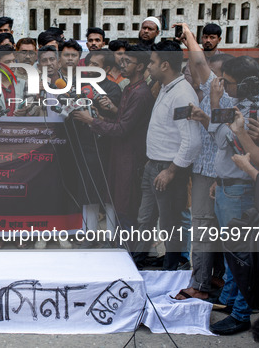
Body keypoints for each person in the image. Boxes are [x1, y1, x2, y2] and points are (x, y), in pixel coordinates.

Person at [206, 55, 259, 335]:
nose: (224, 87)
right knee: (234, 254)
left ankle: (240, 312)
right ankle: (229, 300)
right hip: (229, 184)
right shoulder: (242, 105)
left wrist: (215, 107)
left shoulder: (257, 112)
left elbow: (222, 138)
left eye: (228, 82)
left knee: (243, 257)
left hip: (241, 189)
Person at [174, 23, 234, 301]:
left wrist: (188, 33)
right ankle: (214, 279)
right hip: (212, 171)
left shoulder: (223, 94)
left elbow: (225, 134)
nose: (206, 76)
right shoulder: (225, 96)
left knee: (202, 230)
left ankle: (199, 285)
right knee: (216, 233)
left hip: (212, 173)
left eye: (214, 74)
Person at [132, 40, 201, 270]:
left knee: (170, 224)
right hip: (153, 164)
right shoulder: (165, 86)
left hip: (168, 168)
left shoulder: (182, 94)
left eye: (152, 62)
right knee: (145, 219)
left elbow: (191, 141)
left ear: (165, 65)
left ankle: (172, 269)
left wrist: (171, 171)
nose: (148, 66)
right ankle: (139, 262)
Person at [73, 45, 154, 233]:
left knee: (122, 202)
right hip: (105, 151)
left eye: (127, 62)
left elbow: (122, 128)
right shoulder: (129, 89)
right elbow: (121, 120)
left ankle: (121, 245)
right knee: (95, 195)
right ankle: (102, 238)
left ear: (140, 66)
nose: (122, 65)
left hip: (125, 154)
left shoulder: (137, 93)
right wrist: (105, 116)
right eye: (89, 64)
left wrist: (92, 120)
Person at [183, 23, 223, 87]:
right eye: (206, 37)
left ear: (219, 40)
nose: (208, 40)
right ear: (202, 38)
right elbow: (189, 82)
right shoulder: (194, 58)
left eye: (212, 38)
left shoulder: (223, 60)